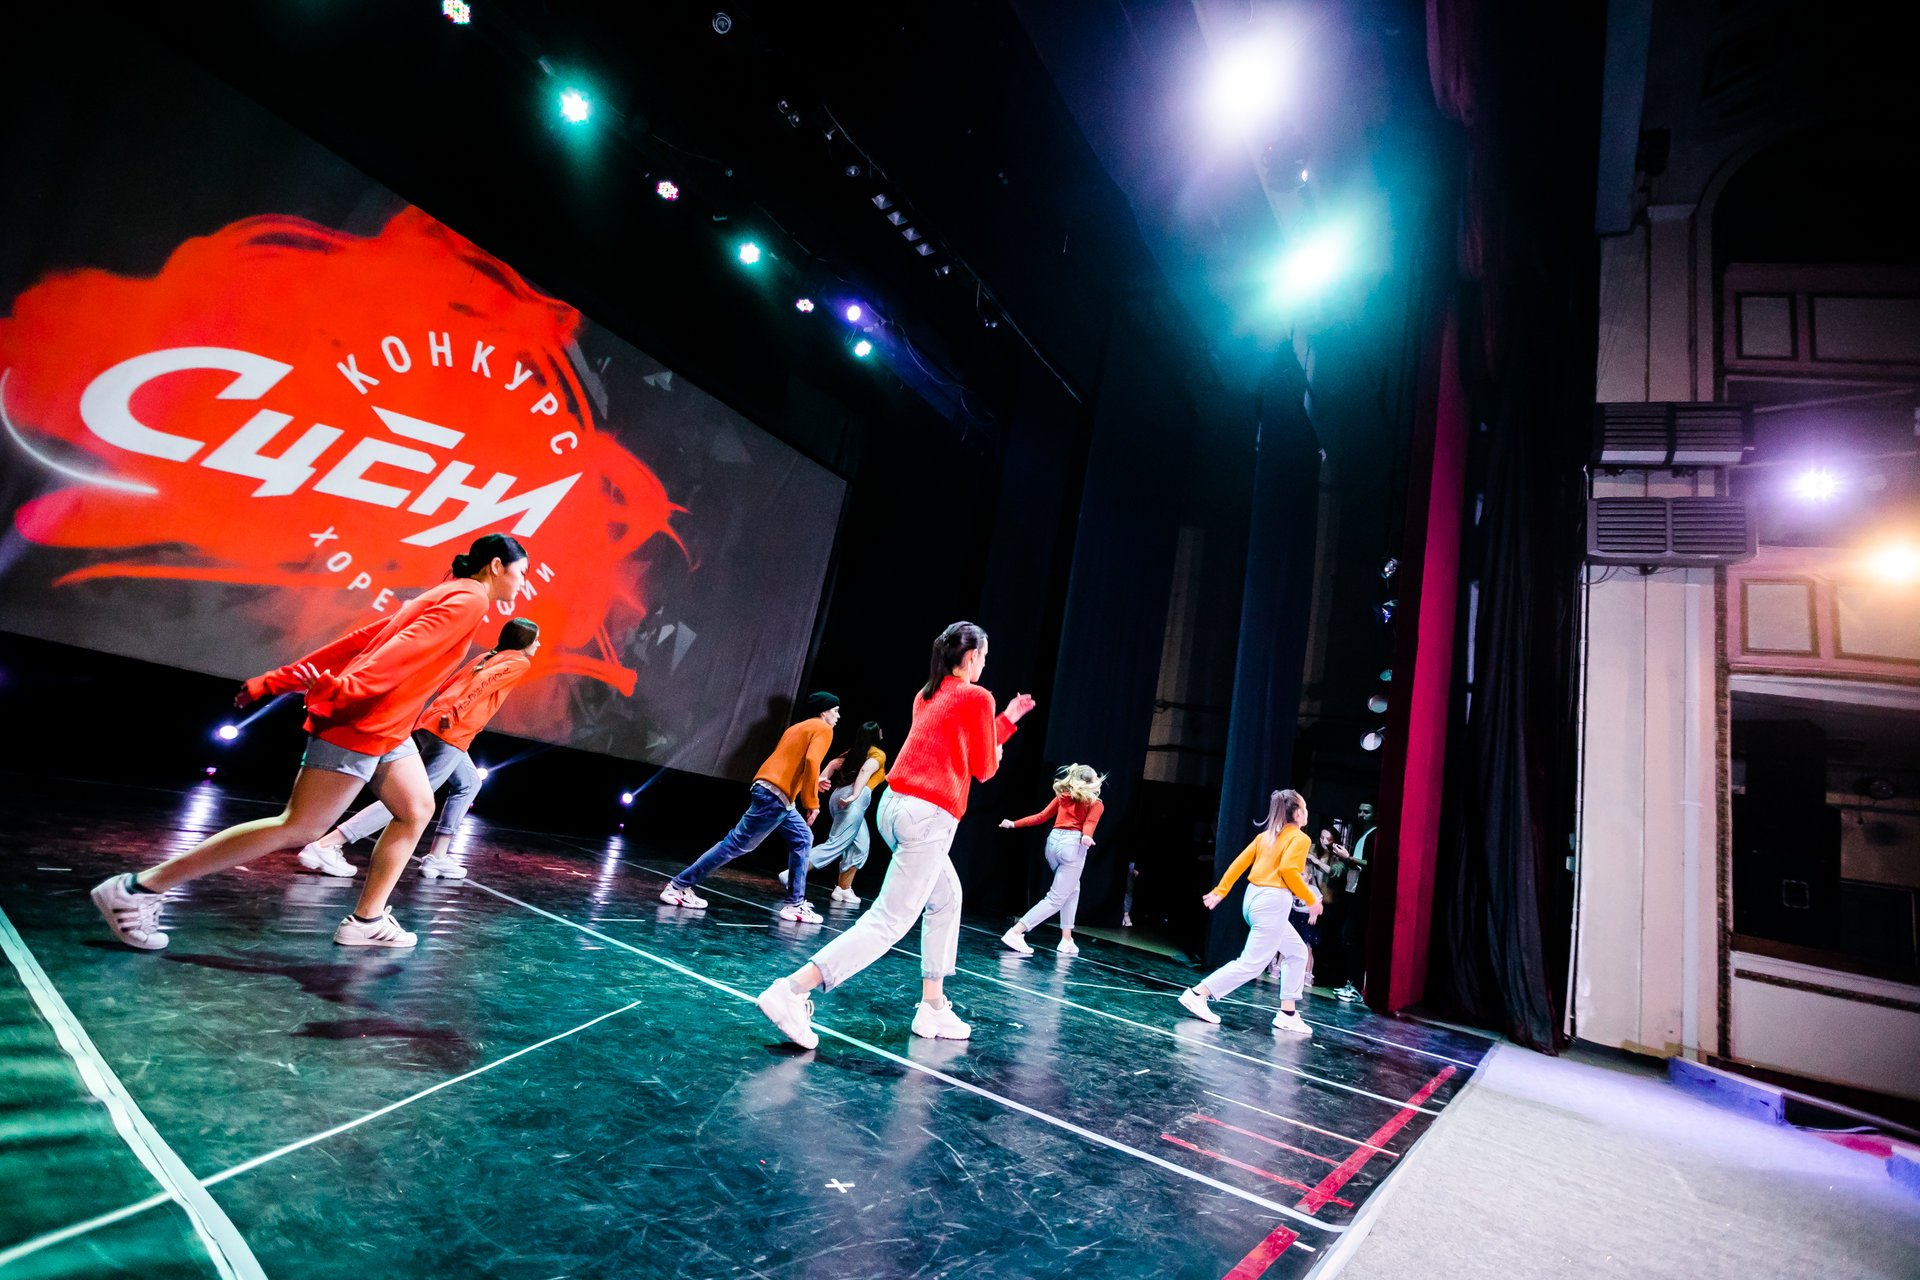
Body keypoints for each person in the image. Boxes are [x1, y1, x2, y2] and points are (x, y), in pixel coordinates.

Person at [90, 533, 529, 951]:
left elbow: (366, 639)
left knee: (416, 810)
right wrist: (345, 690)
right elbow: (397, 653)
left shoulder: (449, 592)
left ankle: (367, 921)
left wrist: (278, 680)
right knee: (300, 826)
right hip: (364, 722)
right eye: (521, 572)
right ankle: (138, 889)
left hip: (389, 726)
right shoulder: (470, 599)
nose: (523, 582)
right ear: (496, 566)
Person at [756, 622, 1036, 1048]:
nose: (985, 662)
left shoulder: (928, 693)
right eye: (984, 655)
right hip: (929, 816)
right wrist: (1002, 738)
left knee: (947, 898)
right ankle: (792, 990)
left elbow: (964, 743)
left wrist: (1008, 720)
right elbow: (984, 767)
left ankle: (933, 1005)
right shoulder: (978, 696)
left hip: (894, 807)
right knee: (888, 922)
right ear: (972, 656)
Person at [294, 618, 541, 882]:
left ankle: (438, 857)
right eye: (536, 639)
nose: (538, 644)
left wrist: (445, 712)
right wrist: (454, 713)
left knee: (469, 784)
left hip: (436, 725)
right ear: (523, 641)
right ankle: (329, 843)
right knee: (409, 800)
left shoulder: (486, 657)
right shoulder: (518, 662)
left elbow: (448, 685)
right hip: (450, 730)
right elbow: (481, 683)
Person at [660, 693, 842, 923]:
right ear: (823, 712)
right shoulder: (823, 729)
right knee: (735, 844)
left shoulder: (798, 727)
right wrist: (812, 802)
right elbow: (812, 761)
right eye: (835, 711)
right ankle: (677, 886)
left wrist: (813, 784)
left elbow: (791, 764)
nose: (838, 716)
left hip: (775, 794)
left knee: (803, 838)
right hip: (776, 796)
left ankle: (795, 904)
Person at [1177, 788, 1322, 1036]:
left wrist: (1221, 891)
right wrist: (1311, 900)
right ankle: (1198, 994)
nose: (1306, 812)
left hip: (1254, 898)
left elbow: (1239, 864)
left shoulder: (1265, 837)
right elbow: (1288, 871)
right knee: (1252, 964)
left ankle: (1288, 1014)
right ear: (1298, 813)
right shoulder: (1300, 839)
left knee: (1297, 952)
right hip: (1273, 902)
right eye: (1305, 807)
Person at [998, 764, 1105, 956]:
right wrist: (1086, 837)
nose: (1099, 780)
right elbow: (1089, 824)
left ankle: (1066, 939)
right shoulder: (1096, 804)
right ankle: (1016, 932)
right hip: (1072, 847)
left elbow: (1041, 817)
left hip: (1053, 845)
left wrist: (1014, 824)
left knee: (1073, 888)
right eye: (1096, 777)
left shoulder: (1063, 797)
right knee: (1056, 898)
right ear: (1089, 782)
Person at [779, 721, 886, 907]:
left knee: (861, 846)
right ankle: (792, 873)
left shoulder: (853, 752)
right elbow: (865, 770)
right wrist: (854, 796)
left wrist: (821, 779)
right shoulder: (878, 754)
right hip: (854, 798)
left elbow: (833, 764)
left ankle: (843, 888)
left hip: (839, 795)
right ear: (877, 734)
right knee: (836, 844)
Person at [1337, 802, 1376, 1002]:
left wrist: (1349, 857)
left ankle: (1355, 986)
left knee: (1354, 938)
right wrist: (1346, 859)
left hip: (1362, 894)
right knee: (1348, 936)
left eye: (1366, 812)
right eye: (1359, 811)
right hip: (1353, 891)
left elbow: (1371, 863)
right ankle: (1350, 983)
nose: (1361, 815)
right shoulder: (1363, 835)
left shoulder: (1374, 835)